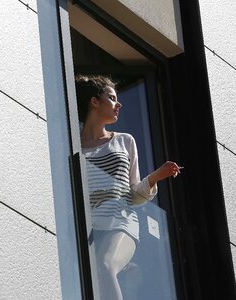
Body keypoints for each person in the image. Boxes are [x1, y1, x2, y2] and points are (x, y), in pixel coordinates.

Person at [75, 75, 182, 300]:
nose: (119, 104)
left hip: (120, 223)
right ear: (95, 101)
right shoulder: (72, 144)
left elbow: (134, 195)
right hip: (87, 226)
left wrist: (154, 177)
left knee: (104, 267)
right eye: (112, 98)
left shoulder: (124, 141)